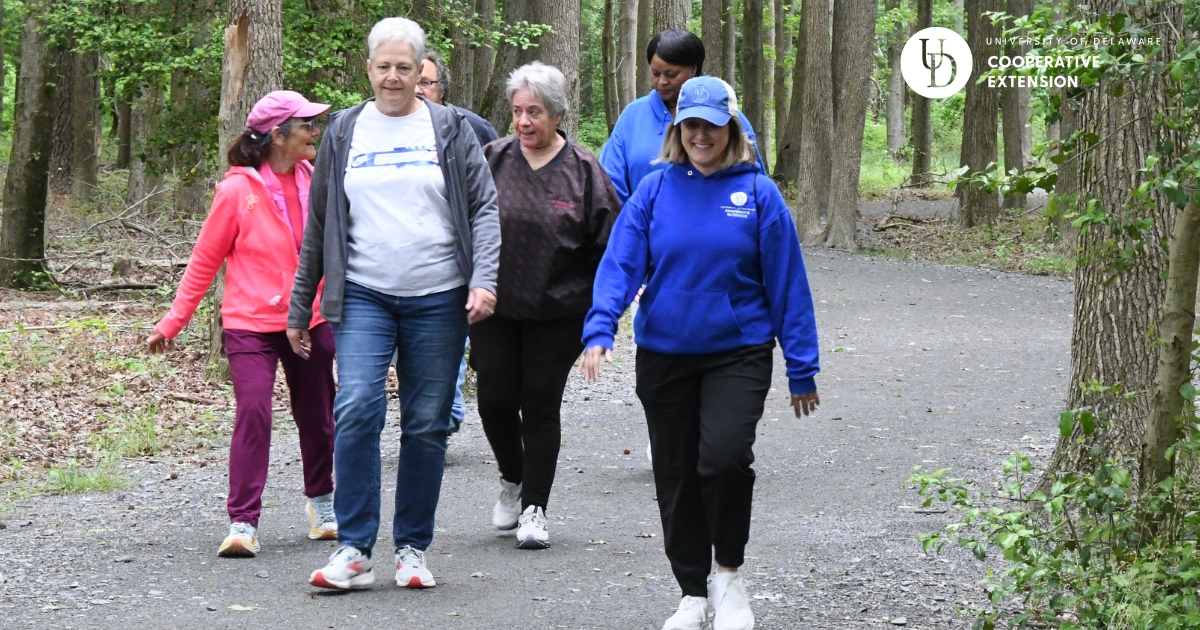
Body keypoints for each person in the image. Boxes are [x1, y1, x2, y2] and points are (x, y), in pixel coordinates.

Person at [581, 76, 820, 630]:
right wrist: (600, 329)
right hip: (665, 352)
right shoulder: (655, 189)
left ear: (731, 129)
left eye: (711, 126)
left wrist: (802, 368)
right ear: (677, 130)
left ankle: (729, 576)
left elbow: (788, 284)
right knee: (676, 472)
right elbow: (620, 264)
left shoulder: (758, 193)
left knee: (724, 458)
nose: (700, 136)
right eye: (690, 125)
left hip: (738, 352)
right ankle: (692, 591)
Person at [288, 17, 500, 592]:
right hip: (363, 292)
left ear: (420, 71)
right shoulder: (344, 130)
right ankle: (355, 550)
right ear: (369, 68)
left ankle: (412, 547)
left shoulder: (450, 129)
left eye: (404, 68)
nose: (393, 77)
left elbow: (483, 208)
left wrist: (484, 280)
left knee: (427, 422)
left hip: (439, 294)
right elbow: (320, 222)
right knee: (357, 405)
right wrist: (301, 304)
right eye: (383, 66)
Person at [146, 91, 336, 558]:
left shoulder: (317, 181)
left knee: (319, 414)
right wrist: (172, 322)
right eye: (307, 125)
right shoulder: (236, 192)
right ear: (278, 135)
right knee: (254, 411)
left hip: (309, 319)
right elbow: (204, 261)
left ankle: (323, 504)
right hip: (250, 324)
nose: (316, 132)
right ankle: (243, 522)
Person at [474, 62, 620, 549]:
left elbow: (609, 246)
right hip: (495, 305)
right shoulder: (492, 159)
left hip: (559, 310)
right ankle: (512, 478)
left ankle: (534, 507)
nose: (523, 121)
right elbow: (462, 224)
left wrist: (604, 312)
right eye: (517, 111)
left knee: (539, 401)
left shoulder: (584, 170)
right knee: (494, 399)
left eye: (534, 112)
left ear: (557, 114)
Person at [415, 49, 499, 435]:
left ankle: (444, 414)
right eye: (413, 81)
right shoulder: (378, 130)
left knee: (449, 343)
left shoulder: (471, 128)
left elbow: (493, 194)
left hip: (457, 261)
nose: (418, 89)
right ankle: (436, 414)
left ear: (442, 89)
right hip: (400, 265)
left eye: (426, 82)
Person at [599, 28, 765, 206]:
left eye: (671, 74)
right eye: (655, 73)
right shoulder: (633, 116)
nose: (662, 81)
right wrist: (629, 220)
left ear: (693, 69)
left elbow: (754, 184)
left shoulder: (728, 117)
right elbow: (610, 185)